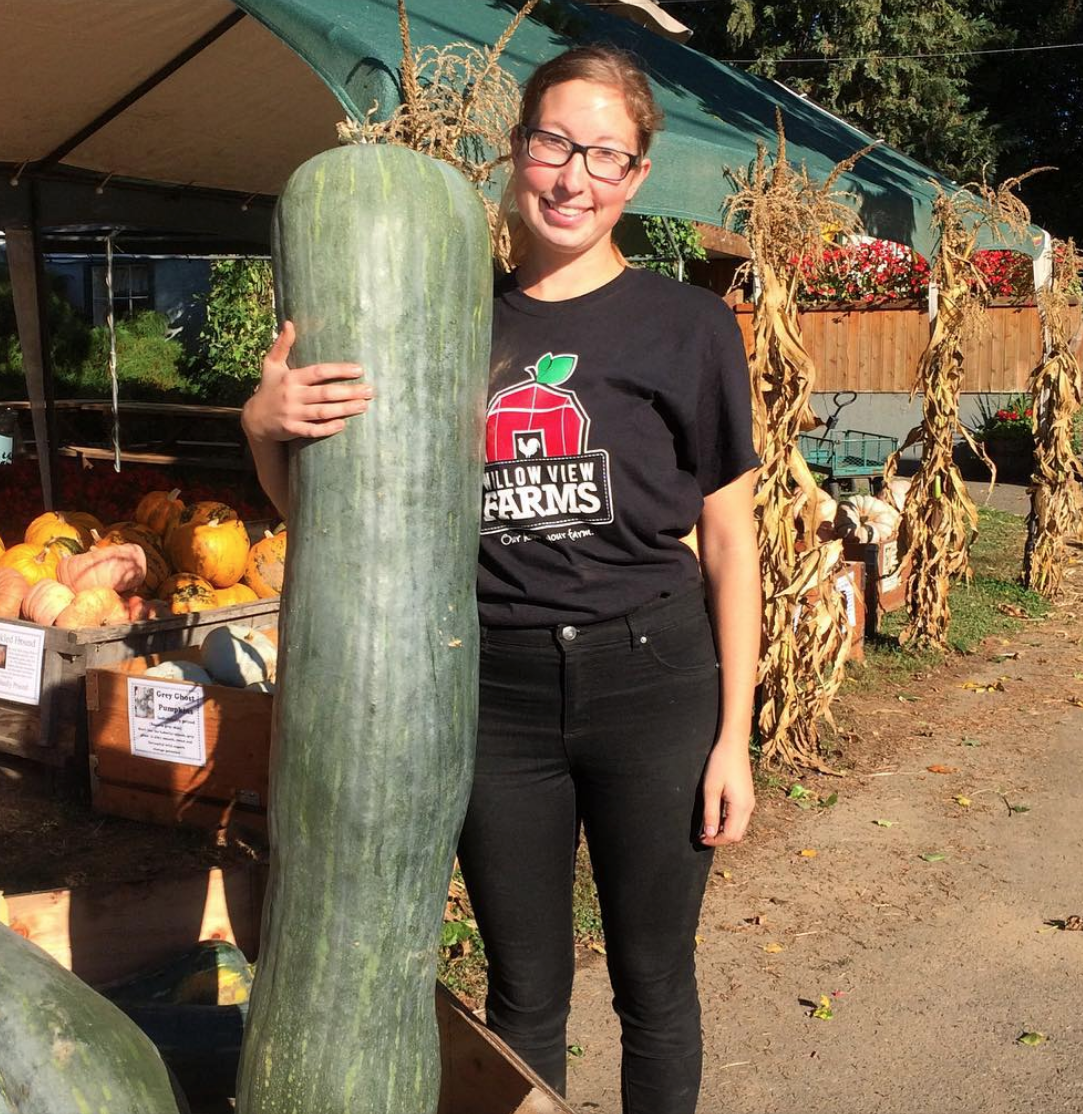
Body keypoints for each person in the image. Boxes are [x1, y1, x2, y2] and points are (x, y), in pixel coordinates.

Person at [242, 44, 762, 1114]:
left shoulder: (690, 326)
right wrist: (262, 431)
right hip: (491, 695)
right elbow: (354, 525)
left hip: (654, 683)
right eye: (555, 142)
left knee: (654, 983)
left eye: (606, 154)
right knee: (525, 991)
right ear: (515, 150)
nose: (574, 177)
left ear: (637, 176)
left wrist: (734, 737)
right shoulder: (441, 318)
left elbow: (731, 542)